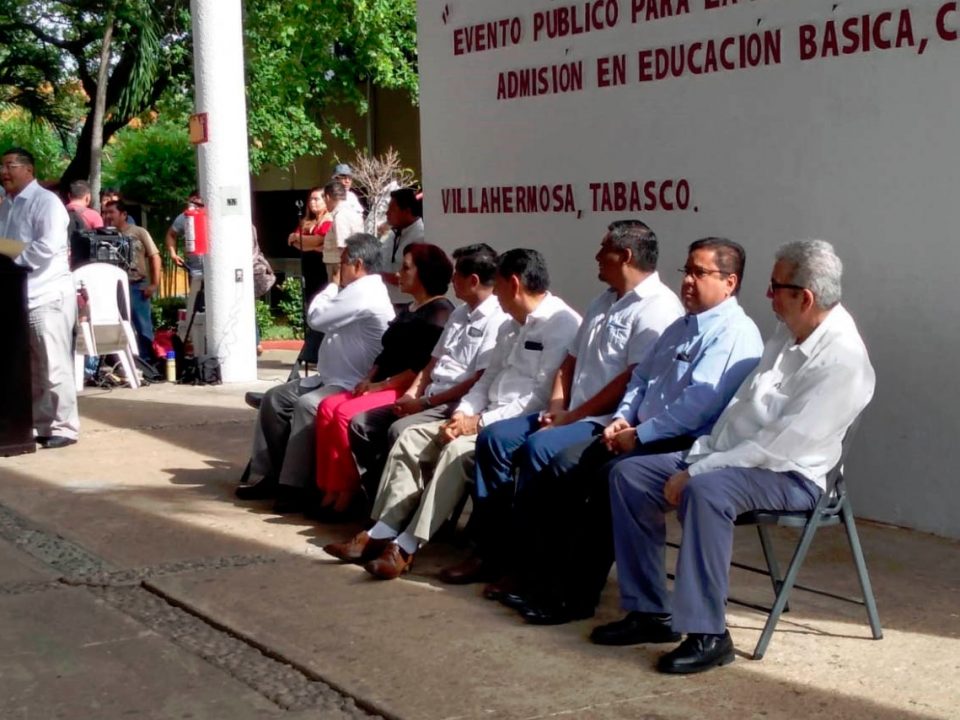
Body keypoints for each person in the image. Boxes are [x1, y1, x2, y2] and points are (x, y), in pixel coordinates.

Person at [595, 239, 875, 675]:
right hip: (730, 456)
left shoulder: (842, 361)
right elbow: (741, 412)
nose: (767, 296)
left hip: (791, 474)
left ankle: (709, 634)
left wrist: (699, 469)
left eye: (775, 286)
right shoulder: (787, 332)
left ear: (804, 297)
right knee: (629, 476)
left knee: (706, 492)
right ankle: (651, 611)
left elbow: (778, 447)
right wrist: (699, 456)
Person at [493, 238, 765, 625]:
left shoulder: (733, 333)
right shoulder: (682, 326)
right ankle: (543, 580)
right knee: (562, 465)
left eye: (699, 273)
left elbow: (696, 407)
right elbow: (640, 377)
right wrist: (623, 417)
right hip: (639, 430)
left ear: (730, 282)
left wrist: (639, 435)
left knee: (607, 479)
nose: (688, 280)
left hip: (686, 444)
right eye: (686, 270)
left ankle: (577, 598)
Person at [439, 220, 683, 586]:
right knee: (495, 440)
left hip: (602, 419)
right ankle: (491, 550)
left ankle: (532, 561)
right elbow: (570, 361)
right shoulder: (604, 300)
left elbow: (632, 379)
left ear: (626, 255)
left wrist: (571, 417)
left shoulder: (657, 307)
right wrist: (557, 405)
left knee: (540, 450)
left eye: (604, 249)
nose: (597, 257)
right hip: (571, 412)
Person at [324, 249, 581, 580]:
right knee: (410, 437)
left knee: (456, 452)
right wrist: (463, 415)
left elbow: (539, 397)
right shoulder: (510, 325)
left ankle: (406, 546)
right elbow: (487, 379)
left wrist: (479, 422)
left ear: (513, 284)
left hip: (514, 425)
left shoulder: (561, 325)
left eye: (498, 286)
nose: (494, 294)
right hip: (480, 417)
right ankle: (381, 530)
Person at [236, 234, 394, 500]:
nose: (338, 270)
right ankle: (268, 475)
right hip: (330, 378)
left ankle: (294, 486)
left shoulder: (366, 292)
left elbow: (317, 318)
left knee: (307, 405)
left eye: (342, 263)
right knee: (275, 399)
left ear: (356, 265)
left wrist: (331, 287)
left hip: (350, 383)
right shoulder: (354, 292)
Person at [346, 243, 507, 503]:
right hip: (428, 397)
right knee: (361, 424)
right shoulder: (459, 314)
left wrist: (424, 402)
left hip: (452, 403)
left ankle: (399, 510)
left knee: (398, 430)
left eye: (457, 275)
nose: (451, 279)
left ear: (473, 280)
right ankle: (380, 501)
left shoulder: (496, 319)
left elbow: (477, 380)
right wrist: (411, 394)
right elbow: (432, 363)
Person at [309, 243, 455, 516]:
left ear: (424, 273)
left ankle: (349, 492)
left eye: (406, 267)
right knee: (327, 407)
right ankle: (329, 488)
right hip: (382, 382)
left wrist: (380, 385)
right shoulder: (412, 307)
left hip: (401, 387)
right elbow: (387, 351)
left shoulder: (439, 314)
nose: (399, 273)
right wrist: (369, 377)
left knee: (344, 414)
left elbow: (419, 367)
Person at [0, 147, 78, 448]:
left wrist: (11, 262)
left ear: (28, 170)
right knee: (31, 367)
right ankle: (40, 425)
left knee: (53, 363)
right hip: (19, 297)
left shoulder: (46, 203)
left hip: (48, 294)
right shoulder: (6, 206)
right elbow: (6, 245)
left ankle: (65, 427)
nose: (4, 172)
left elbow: (45, 247)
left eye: (10, 166)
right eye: (2, 166)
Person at [101, 199, 161, 363]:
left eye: (111, 212)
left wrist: (154, 284)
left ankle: (147, 363)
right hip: (115, 289)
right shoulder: (105, 235)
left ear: (123, 214)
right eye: (105, 212)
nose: (108, 216)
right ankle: (121, 362)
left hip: (137, 286)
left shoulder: (138, 232)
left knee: (143, 328)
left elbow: (154, 256)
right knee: (117, 326)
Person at [379, 188, 425, 308]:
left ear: (406, 211)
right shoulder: (393, 233)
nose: (387, 213)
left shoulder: (421, 236)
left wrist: (378, 275)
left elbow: (412, 277)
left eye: (392, 209)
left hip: (407, 304)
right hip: (387, 301)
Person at [286, 186, 332, 302]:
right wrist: (314, 247)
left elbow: (318, 239)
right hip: (308, 265)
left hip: (323, 266)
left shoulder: (328, 219)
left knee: (323, 298)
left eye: (316, 199)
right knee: (310, 299)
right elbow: (293, 244)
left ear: (325, 200)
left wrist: (297, 237)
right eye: (310, 199)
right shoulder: (306, 221)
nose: (312, 202)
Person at [165, 191, 205, 322]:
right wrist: (173, 254)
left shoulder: (213, 213)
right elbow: (171, 234)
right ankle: (197, 337)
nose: (194, 205)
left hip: (215, 268)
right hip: (194, 268)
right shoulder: (185, 217)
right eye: (192, 201)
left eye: (197, 201)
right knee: (197, 306)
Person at [322, 180, 363, 287]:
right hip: (353, 265)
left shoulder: (340, 216)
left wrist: (338, 277)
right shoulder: (353, 211)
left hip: (341, 269)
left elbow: (342, 249)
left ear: (327, 197)